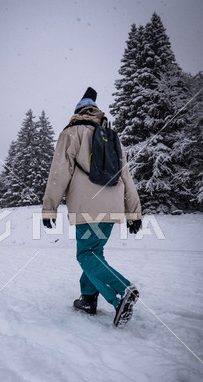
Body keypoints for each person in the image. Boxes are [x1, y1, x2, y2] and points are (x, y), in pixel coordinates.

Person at [42, 87, 142, 327]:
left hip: (87, 206)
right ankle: (87, 299)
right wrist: (133, 212)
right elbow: (126, 176)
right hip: (113, 206)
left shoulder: (71, 133)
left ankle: (121, 291)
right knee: (94, 251)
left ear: (77, 112)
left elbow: (59, 173)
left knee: (86, 253)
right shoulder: (112, 135)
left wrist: (49, 207)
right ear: (95, 112)